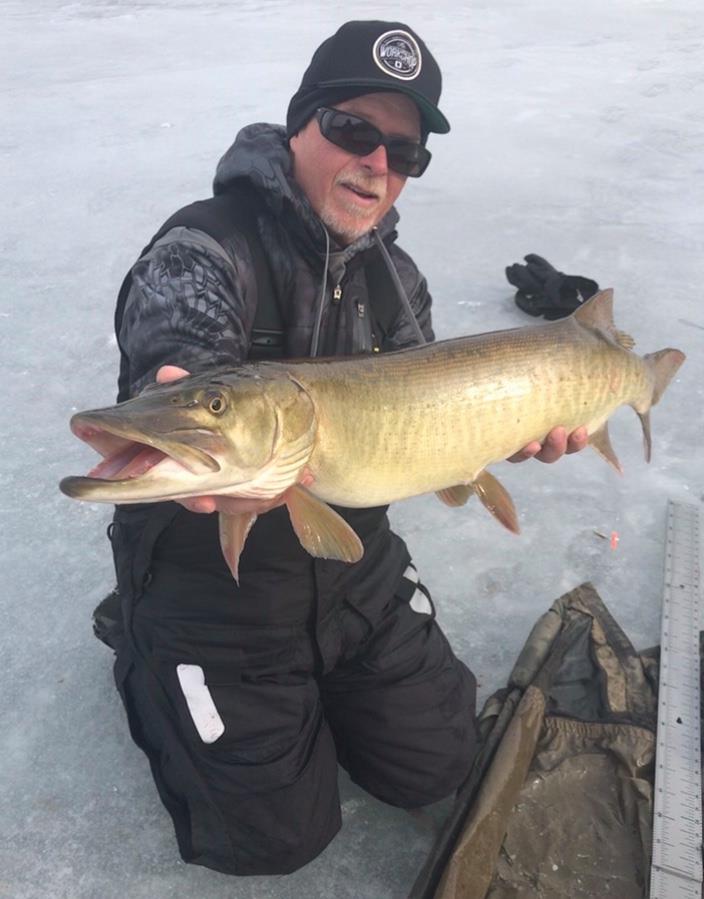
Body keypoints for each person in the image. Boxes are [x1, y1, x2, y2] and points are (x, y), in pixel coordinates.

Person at [101, 20, 588, 877]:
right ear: (301, 123)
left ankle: (322, 678)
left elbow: (436, 421)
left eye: (405, 153)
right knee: (272, 838)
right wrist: (186, 391)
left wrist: (499, 435)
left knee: (438, 762)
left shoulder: (398, 281)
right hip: (212, 585)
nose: (376, 164)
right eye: (353, 129)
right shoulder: (202, 250)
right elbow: (179, 353)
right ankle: (138, 634)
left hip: (351, 566)